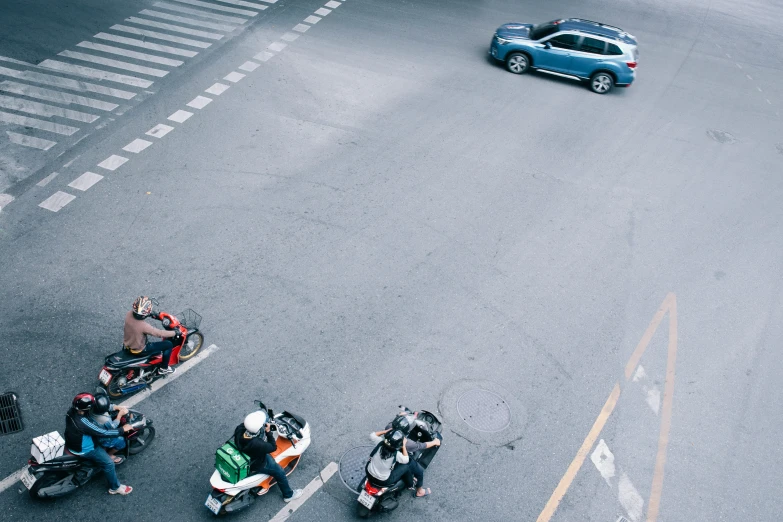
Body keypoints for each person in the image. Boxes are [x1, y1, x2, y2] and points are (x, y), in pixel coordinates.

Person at [64, 393, 133, 495]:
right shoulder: (83, 422)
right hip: (85, 449)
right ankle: (115, 488)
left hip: (71, 440)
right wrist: (122, 429)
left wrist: (116, 407)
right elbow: (104, 432)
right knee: (109, 464)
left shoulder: (71, 411)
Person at [233, 410, 303, 503]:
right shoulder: (257, 444)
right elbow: (273, 447)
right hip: (258, 462)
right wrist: (268, 431)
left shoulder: (240, 429)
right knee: (280, 472)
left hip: (243, 453)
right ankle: (288, 495)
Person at [385, 412, 440, 497]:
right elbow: (422, 445)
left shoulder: (389, 427)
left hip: (387, 450)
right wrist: (434, 442)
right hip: (399, 457)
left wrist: (401, 415)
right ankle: (420, 491)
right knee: (419, 471)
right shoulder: (407, 443)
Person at [123, 296, 179, 375]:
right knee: (168, 344)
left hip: (128, 344)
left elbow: (139, 314)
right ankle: (164, 368)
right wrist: (175, 332)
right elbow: (159, 333)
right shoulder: (143, 326)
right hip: (140, 350)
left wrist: (149, 314)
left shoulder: (128, 314)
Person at [366, 429, 430, 498]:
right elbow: (406, 459)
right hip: (383, 481)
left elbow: (372, 435)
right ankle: (411, 486)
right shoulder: (396, 454)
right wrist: (404, 446)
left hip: (368, 473)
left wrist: (385, 431)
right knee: (406, 466)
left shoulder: (379, 443)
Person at [90, 393, 129, 464]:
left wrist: (117, 407)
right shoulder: (105, 420)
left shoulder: (91, 408)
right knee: (122, 442)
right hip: (102, 437)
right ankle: (109, 455)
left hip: (93, 431)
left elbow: (107, 407)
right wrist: (119, 415)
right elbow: (113, 427)